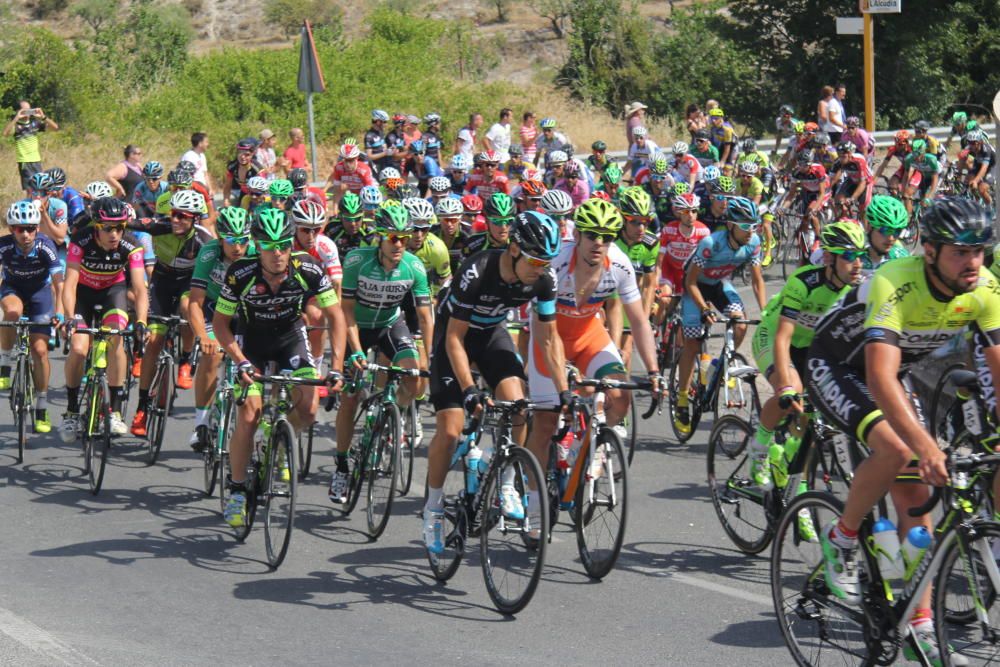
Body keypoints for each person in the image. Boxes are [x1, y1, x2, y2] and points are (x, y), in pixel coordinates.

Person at [809, 198, 997, 665]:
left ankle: (919, 621)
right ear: (930, 251)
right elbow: (877, 377)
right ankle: (843, 536)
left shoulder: (986, 288)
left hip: (896, 376)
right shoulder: (896, 281)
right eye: (960, 251)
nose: (973, 262)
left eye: (980, 251)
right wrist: (925, 444)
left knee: (916, 497)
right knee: (898, 449)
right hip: (839, 365)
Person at [422, 210, 565, 554]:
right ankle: (433, 508)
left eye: (547, 261)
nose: (540, 269)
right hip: (453, 338)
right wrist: (470, 390)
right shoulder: (478, 270)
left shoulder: (543, 278)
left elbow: (549, 339)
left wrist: (564, 392)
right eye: (534, 260)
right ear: (514, 249)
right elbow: (455, 339)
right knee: (452, 428)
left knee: (519, 406)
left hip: (491, 335)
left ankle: (507, 483)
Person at [213, 207, 345, 527]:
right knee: (249, 415)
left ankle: (280, 441)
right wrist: (240, 360)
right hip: (252, 342)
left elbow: (336, 317)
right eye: (270, 246)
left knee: (310, 410)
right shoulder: (240, 273)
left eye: (284, 244)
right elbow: (220, 325)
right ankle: (238, 490)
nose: (278, 253)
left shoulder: (309, 268)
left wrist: (337, 366)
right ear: (256, 245)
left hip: (290, 338)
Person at [524, 198, 662, 472]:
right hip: (549, 340)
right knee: (545, 423)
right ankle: (536, 502)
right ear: (576, 235)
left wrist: (654, 371)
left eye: (607, 237)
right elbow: (541, 328)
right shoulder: (555, 265)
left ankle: (589, 442)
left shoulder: (620, 266)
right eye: (592, 235)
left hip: (589, 336)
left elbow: (638, 321)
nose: (599, 242)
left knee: (620, 397)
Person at [748, 222, 866, 504]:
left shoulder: (857, 290)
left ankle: (796, 492)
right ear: (829, 258)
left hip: (812, 347)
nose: (857, 264)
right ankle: (759, 449)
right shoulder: (803, 282)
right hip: (774, 337)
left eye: (861, 255)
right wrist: (785, 386)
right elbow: (783, 336)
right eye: (849, 256)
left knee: (810, 423)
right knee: (792, 389)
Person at [330, 203, 432, 502]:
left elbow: (426, 317)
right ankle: (341, 466)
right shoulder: (356, 260)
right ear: (379, 237)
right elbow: (345, 310)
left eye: (405, 235)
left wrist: (436, 358)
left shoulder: (414, 266)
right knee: (349, 399)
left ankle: (393, 416)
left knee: (415, 380)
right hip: (357, 327)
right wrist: (357, 352)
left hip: (390, 324)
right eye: (393, 237)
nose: (400, 243)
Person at [673, 197, 767, 435]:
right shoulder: (710, 243)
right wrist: (705, 309)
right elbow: (690, 281)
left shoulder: (753, 242)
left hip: (718, 284)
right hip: (695, 288)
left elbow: (757, 281)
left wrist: (765, 311)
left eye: (754, 225)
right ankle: (682, 398)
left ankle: (718, 367)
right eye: (745, 226)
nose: (750, 231)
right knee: (693, 344)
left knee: (740, 323)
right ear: (731, 225)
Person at [60, 197, 148, 441]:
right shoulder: (81, 241)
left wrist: (141, 321)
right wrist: (68, 317)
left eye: (120, 227)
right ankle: (71, 411)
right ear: (96, 226)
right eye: (108, 228)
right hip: (83, 296)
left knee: (116, 339)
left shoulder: (132, 245)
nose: (115, 233)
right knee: (78, 349)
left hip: (113, 293)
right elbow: (69, 285)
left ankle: (115, 411)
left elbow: (140, 289)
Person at [129, 191, 213, 437]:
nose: (175, 220)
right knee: (154, 343)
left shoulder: (203, 240)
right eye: (173, 214)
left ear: (195, 219)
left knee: (188, 309)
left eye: (182, 216)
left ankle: (185, 361)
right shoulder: (159, 226)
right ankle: (142, 406)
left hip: (189, 283)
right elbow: (125, 221)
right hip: (162, 283)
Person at [186, 207, 254, 451]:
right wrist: (202, 336)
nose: (238, 247)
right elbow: (195, 300)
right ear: (220, 238)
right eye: (232, 240)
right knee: (212, 355)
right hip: (215, 312)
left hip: (246, 314)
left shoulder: (256, 254)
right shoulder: (208, 253)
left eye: (243, 240)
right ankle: (201, 424)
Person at [0, 201, 63, 431]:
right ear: (11, 229)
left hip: (40, 294)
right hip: (13, 289)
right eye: (19, 229)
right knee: (13, 312)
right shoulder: (4, 246)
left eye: (30, 228)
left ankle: (42, 407)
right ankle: (5, 363)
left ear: (37, 228)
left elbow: (59, 282)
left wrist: (61, 312)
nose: (25, 234)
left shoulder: (46, 246)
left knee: (39, 350)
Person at [4, 101, 58, 194]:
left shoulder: (35, 124)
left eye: (29, 110)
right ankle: (31, 207)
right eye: (25, 110)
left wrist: (43, 117)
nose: (28, 112)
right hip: (25, 161)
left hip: (36, 160)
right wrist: (16, 118)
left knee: (40, 188)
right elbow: (5, 133)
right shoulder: (16, 126)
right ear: (19, 111)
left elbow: (55, 128)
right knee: (30, 190)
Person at [223, 138, 262, 207]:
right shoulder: (232, 167)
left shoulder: (257, 169)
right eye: (240, 153)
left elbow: (263, 188)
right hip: (244, 193)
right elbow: (227, 187)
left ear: (252, 155)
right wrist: (226, 200)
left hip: (258, 194)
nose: (243, 157)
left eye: (247, 155)